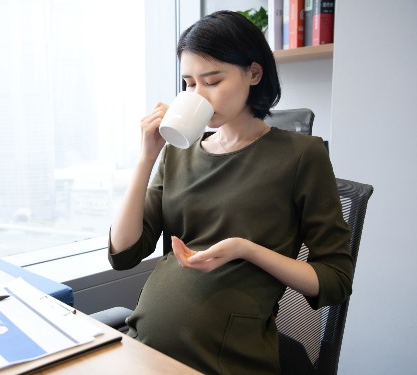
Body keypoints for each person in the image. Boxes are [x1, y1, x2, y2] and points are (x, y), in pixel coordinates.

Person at [107, 10, 353, 375]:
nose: (198, 95)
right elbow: (124, 253)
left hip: (227, 360)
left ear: (254, 73)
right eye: (189, 84)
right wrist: (146, 157)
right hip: (146, 348)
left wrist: (245, 249)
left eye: (212, 80)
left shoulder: (302, 155)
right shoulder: (179, 152)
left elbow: (335, 280)